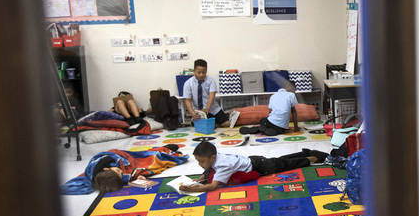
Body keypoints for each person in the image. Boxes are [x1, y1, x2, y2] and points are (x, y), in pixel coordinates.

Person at [182, 140, 326, 193]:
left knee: (285, 165)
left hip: (261, 166)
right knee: (281, 160)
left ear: (212, 158)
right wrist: (197, 181)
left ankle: (311, 158)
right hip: (254, 161)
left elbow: (213, 186)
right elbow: (207, 172)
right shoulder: (215, 158)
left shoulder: (222, 165)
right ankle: (303, 153)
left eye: (201, 161)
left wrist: (195, 189)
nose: (200, 164)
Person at [61, 144, 188, 194]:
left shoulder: (107, 162)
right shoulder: (100, 177)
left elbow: (122, 161)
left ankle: (163, 149)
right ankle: (162, 149)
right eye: (120, 173)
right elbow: (121, 176)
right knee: (151, 163)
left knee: (147, 158)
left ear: (106, 169)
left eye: (118, 171)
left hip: (118, 154)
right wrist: (133, 178)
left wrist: (132, 173)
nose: (120, 171)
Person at [182, 59, 229, 127]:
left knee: (227, 124)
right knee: (203, 126)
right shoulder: (188, 83)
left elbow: (211, 96)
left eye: (203, 72)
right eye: (199, 72)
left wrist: (207, 109)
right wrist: (192, 113)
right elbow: (187, 100)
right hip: (199, 112)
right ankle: (213, 124)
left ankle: (219, 120)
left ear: (206, 71)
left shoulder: (211, 81)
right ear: (194, 71)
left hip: (213, 109)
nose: (201, 75)